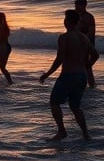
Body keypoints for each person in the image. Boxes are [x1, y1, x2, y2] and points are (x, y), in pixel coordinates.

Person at [40, 9, 99, 141]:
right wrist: (86, 66)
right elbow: (96, 55)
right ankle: (86, 134)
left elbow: (59, 59)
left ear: (67, 22)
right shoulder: (84, 38)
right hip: (82, 76)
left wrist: (47, 74)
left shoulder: (64, 37)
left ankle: (62, 131)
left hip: (68, 75)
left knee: (54, 102)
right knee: (75, 106)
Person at [74, 0, 96, 88]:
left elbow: (92, 32)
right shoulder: (75, 16)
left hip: (87, 44)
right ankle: (80, 85)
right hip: (77, 44)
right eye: (75, 5)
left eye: (78, 5)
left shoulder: (89, 17)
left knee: (87, 66)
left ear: (84, 6)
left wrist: (83, 41)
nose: (76, 7)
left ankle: (91, 85)